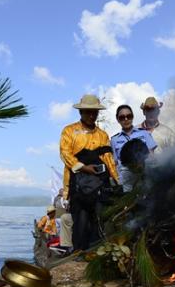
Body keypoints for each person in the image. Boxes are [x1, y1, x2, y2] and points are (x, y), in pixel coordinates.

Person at [59, 94, 119, 251]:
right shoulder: (69, 131)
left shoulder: (103, 135)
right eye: (88, 112)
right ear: (81, 112)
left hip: (99, 186)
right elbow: (65, 154)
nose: (92, 115)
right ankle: (79, 252)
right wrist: (84, 168)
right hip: (77, 185)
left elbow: (109, 160)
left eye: (94, 112)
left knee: (98, 220)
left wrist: (118, 182)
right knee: (80, 220)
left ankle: (94, 253)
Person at [110, 104, 157, 192]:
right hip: (126, 182)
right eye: (122, 117)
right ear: (117, 119)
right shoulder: (114, 140)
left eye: (129, 116)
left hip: (145, 176)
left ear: (132, 116)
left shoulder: (144, 133)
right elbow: (115, 163)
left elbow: (152, 156)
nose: (126, 119)